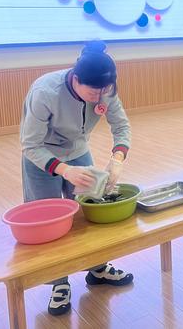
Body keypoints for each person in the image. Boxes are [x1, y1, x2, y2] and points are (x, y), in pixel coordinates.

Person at [20, 41, 132, 316]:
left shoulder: (106, 90)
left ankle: (97, 267)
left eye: (104, 91)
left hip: (79, 150)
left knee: (90, 210)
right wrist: (64, 169)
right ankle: (59, 283)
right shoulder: (46, 91)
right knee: (49, 223)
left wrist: (118, 158)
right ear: (75, 78)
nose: (99, 97)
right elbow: (30, 144)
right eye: (93, 91)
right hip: (42, 156)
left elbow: (121, 125)